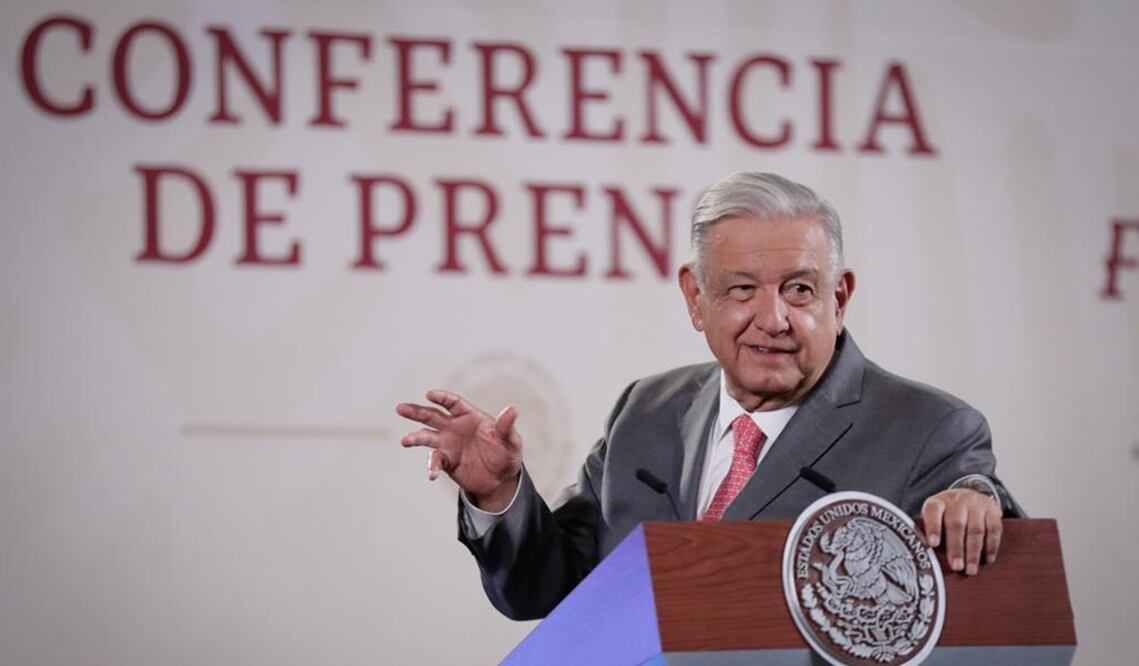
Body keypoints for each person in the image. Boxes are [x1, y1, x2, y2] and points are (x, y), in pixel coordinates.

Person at [396, 172, 1021, 621]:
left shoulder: (928, 428)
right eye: (742, 289)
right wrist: (498, 492)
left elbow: (980, 518)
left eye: (801, 290)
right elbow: (551, 589)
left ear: (841, 297)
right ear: (697, 298)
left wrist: (977, 501)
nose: (773, 319)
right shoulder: (646, 410)